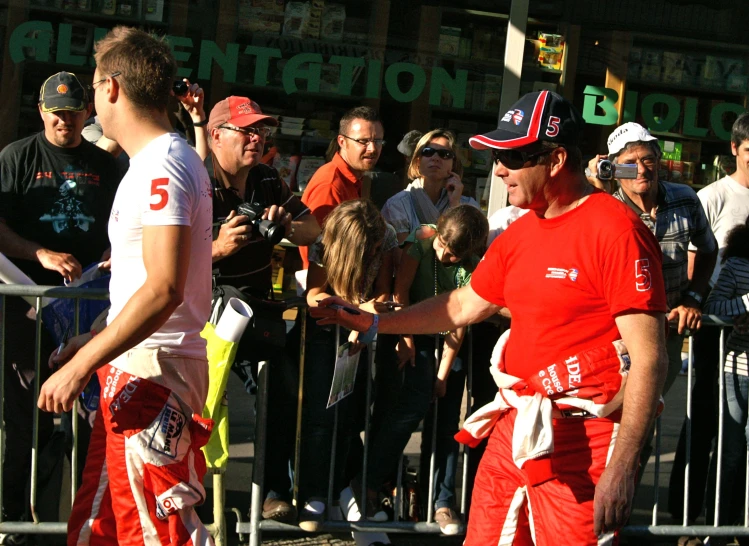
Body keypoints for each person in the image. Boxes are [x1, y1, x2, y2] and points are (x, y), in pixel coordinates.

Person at [311, 90, 669, 545]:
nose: (498, 169)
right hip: (514, 426)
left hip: (585, 441)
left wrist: (623, 468)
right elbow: (462, 304)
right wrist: (374, 323)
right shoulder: (521, 230)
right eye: (497, 156)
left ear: (557, 159)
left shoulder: (617, 231)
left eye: (512, 158)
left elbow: (649, 359)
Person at [37, 27, 215, 545]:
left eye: (93, 86)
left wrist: (80, 363)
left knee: (152, 533)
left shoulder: (163, 166)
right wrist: (93, 344)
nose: (90, 99)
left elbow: (162, 290)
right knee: (101, 527)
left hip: (152, 378)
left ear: (113, 87)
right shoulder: (158, 163)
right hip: (138, 373)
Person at [0, 70, 120, 529]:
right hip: (27, 301)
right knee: (25, 413)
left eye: (72, 113)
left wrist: (114, 250)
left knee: (89, 414)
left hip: (89, 306)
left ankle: (83, 517)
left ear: (87, 112)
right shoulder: (17, 157)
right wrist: (39, 253)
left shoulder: (106, 165)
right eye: (55, 113)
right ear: (41, 111)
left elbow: (119, 222)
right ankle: (17, 517)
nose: (63, 122)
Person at [207, 94, 320, 523]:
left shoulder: (267, 178)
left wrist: (286, 224)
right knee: (202, 407)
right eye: (247, 130)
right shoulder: (197, 178)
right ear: (216, 134)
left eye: (262, 131)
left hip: (258, 314)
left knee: (278, 400)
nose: (256, 138)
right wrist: (217, 248)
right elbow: (168, 253)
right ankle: (198, 495)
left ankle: (270, 491)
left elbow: (313, 228)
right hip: (207, 316)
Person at [361, 205, 488, 535]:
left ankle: (442, 501)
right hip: (411, 328)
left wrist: (443, 374)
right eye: (443, 245)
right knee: (408, 408)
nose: (445, 255)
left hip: (448, 336)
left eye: (454, 254)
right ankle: (371, 485)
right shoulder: (422, 239)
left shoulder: (475, 267)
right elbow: (401, 291)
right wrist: (406, 339)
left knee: (446, 421)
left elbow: (461, 323)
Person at [587, 122, 717, 395]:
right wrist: (599, 190)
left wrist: (692, 298)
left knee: (649, 409)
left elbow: (708, 249)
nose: (642, 170)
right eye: (629, 164)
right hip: (615, 330)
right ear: (614, 168)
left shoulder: (685, 199)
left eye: (648, 159)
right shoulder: (606, 206)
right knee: (612, 411)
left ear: (659, 161)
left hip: (666, 328)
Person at [298, 199, 397, 534]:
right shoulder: (325, 244)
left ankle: (343, 489)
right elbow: (313, 295)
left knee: (352, 416)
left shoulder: (385, 237)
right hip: (327, 332)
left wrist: (367, 313)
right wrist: (351, 307)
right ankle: (314, 492)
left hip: (361, 335)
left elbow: (383, 294)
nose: (372, 251)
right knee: (321, 418)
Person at [669, 112, 749, 523]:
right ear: (734, 149)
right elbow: (690, 258)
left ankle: (732, 518)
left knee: (740, 436)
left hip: (745, 341)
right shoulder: (713, 196)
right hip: (713, 325)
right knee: (702, 418)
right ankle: (685, 513)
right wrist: (697, 301)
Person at [701, 218, 749, 526]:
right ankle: (715, 525)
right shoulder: (738, 266)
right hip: (739, 371)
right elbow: (712, 308)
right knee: (730, 453)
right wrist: (745, 306)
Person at [381, 129, 480, 268]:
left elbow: (470, 255)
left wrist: (455, 206)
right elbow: (401, 259)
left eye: (444, 154)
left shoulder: (468, 206)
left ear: (454, 164)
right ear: (417, 161)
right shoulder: (397, 205)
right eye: (427, 152)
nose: (435, 158)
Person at [300, 106, 384, 268]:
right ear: (342, 142)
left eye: (378, 141)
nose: (372, 149)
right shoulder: (330, 185)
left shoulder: (352, 178)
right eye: (363, 141)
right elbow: (318, 252)